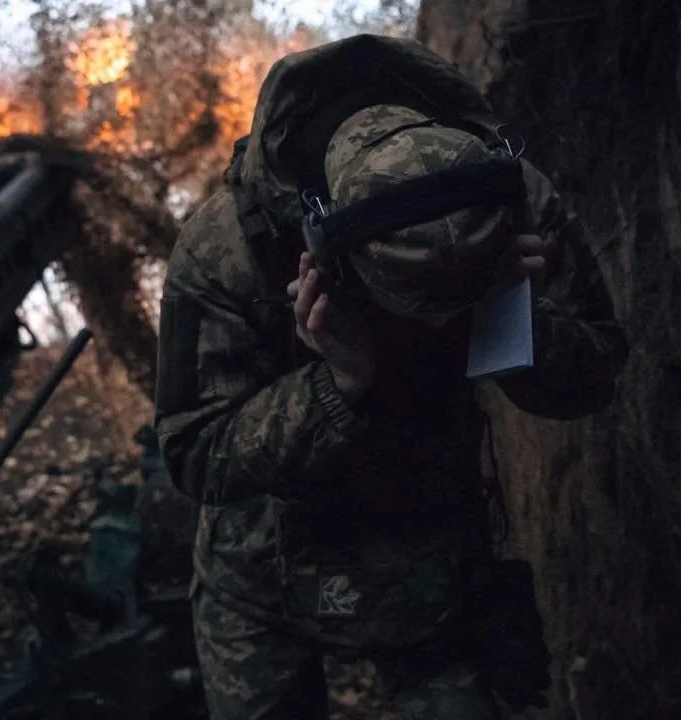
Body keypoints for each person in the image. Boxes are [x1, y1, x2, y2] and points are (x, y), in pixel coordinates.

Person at [153, 35, 628, 719]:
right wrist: (338, 383)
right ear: (331, 263)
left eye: (452, 307)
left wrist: (515, 321)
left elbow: (597, 372)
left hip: (432, 570)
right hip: (260, 579)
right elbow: (194, 449)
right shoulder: (224, 251)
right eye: (416, 305)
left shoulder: (508, 194)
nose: (439, 327)